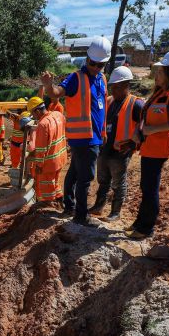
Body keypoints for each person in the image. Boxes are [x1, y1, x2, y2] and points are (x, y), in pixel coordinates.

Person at [40, 36, 111, 226]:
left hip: (95, 137)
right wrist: (48, 86)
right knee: (85, 178)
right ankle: (80, 216)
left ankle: (69, 206)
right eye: (92, 63)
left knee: (73, 173)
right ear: (87, 59)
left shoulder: (102, 79)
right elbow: (56, 93)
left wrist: (103, 133)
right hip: (83, 138)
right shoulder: (76, 78)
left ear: (105, 64)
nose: (95, 67)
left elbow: (102, 106)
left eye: (100, 65)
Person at [125, 49, 169, 239]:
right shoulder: (161, 93)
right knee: (146, 186)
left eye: (160, 71)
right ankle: (140, 222)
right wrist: (138, 131)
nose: (156, 74)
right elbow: (147, 115)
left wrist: (155, 130)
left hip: (159, 149)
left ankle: (146, 228)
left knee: (150, 188)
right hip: (149, 147)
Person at [88, 66, 144, 221]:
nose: (114, 90)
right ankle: (98, 207)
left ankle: (115, 213)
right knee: (103, 180)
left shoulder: (136, 104)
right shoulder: (109, 101)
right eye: (112, 87)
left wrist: (134, 144)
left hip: (120, 151)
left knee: (118, 183)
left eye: (118, 87)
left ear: (127, 85)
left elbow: (146, 123)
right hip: (105, 148)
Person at [27, 96, 67, 205]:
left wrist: (39, 165)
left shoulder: (43, 124)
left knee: (46, 185)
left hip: (49, 163)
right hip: (61, 158)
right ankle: (60, 200)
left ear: (38, 111)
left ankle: (49, 205)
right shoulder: (59, 115)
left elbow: (41, 149)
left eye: (33, 113)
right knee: (56, 182)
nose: (33, 116)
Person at [7, 98, 28, 168]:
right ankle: (14, 169)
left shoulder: (26, 116)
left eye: (20, 107)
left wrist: (18, 116)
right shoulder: (15, 116)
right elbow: (10, 116)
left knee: (24, 160)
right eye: (18, 107)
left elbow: (24, 119)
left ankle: (23, 172)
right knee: (14, 160)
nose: (18, 109)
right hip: (14, 142)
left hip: (22, 143)